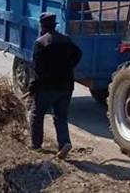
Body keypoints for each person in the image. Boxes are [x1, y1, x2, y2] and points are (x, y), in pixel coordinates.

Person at [29, 12, 82, 159]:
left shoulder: (40, 42)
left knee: (36, 114)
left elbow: (37, 69)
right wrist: (69, 66)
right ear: (54, 25)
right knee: (61, 116)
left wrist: (32, 87)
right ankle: (64, 143)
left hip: (47, 87)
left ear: (42, 26)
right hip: (66, 86)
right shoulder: (66, 40)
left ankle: (36, 145)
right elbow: (78, 54)